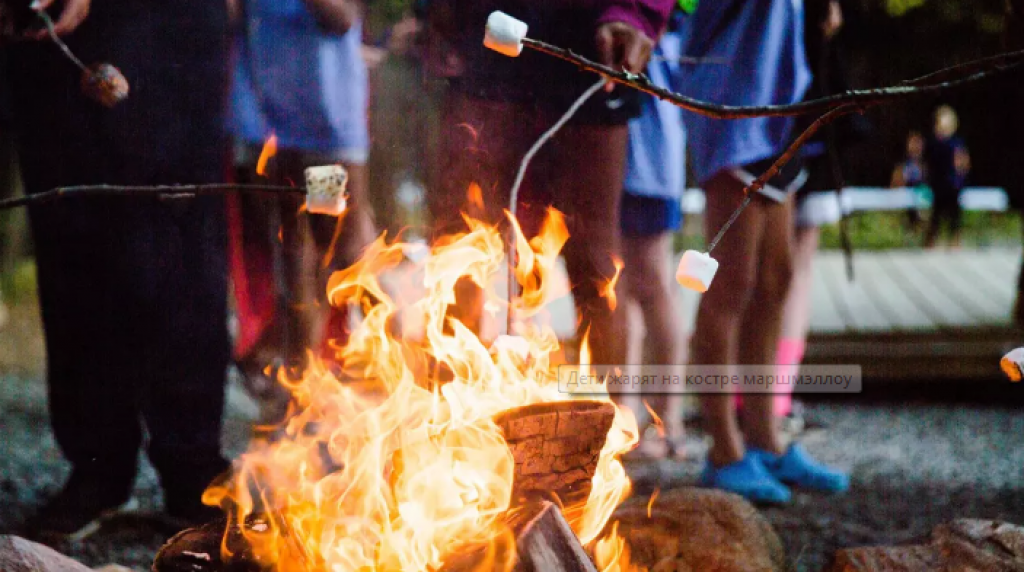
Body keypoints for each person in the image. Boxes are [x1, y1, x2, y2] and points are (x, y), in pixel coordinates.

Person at [4, 0, 233, 538]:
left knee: (175, 245)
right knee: (70, 242)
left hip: (161, 29)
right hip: (47, 49)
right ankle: (96, 468)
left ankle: (193, 467)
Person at [422, 0, 675, 368]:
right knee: (464, 239)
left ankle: (610, 420)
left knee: (594, 259)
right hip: (488, 29)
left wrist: (637, 13)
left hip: (591, 40)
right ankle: (448, 412)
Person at [679, 0, 849, 504]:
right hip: (735, 101)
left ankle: (765, 440)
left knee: (776, 279)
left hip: (780, 105)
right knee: (730, 283)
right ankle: (723, 451)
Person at [227, 0, 376, 423]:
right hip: (269, 123)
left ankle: (400, 363)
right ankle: (300, 382)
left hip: (324, 129)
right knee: (290, 250)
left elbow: (342, 17)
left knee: (340, 250)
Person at [773, 0, 863, 433]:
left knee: (789, 269)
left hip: (805, 114)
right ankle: (768, 400)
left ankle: (770, 397)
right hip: (783, 115)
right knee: (779, 270)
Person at [619, 6, 688, 459]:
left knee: (651, 281)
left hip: (646, 156)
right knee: (617, 286)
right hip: (617, 151)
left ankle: (668, 418)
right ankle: (623, 415)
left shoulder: (665, 16)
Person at [923, 105, 970, 250]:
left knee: (954, 215)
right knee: (936, 214)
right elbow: (928, 162)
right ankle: (931, 242)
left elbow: (963, 162)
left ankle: (954, 241)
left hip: (953, 184)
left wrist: (961, 176)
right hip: (938, 183)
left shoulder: (957, 142)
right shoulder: (933, 142)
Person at [890, 131, 927, 233]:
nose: (915, 146)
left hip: (921, 199)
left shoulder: (925, 164)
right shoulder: (902, 164)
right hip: (904, 197)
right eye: (912, 143)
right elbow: (895, 183)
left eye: (918, 143)